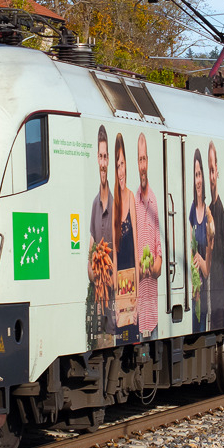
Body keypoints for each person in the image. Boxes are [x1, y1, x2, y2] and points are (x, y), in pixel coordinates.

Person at [87, 126, 114, 339]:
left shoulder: (119, 206)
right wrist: (95, 275)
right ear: (97, 158)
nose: (103, 163)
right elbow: (91, 249)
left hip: (118, 305)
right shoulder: (95, 204)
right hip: (100, 303)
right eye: (101, 156)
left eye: (106, 157)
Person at [135, 134, 163, 339]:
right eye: (139, 159)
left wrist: (152, 268)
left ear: (148, 161)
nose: (142, 164)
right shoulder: (131, 201)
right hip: (134, 313)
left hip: (152, 314)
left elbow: (159, 254)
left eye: (144, 159)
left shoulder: (153, 200)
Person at [113, 134, 138, 340]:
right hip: (119, 291)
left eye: (123, 164)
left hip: (131, 289)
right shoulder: (113, 203)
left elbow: (137, 247)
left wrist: (138, 296)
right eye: (117, 166)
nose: (121, 171)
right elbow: (113, 253)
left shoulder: (131, 197)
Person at [207, 141, 224, 329]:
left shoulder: (220, 211)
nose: (211, 176)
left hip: (220, 303)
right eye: (209, 170)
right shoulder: (207, 210)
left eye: (213, 170)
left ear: (218, 172)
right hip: (210, 301)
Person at [189, 151, 211, 332]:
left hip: (207, 296)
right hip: (194, 294)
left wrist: (201, 261)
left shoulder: (209, 214)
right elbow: (188, 246)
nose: (198, 180)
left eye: (200, 174)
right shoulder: (191, 211)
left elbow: (208, 268)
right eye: (195, 175)